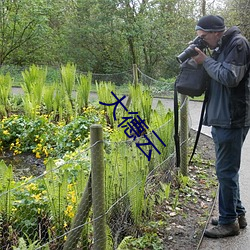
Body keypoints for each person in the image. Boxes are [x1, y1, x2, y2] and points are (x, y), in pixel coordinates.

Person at [192, 15, 250, 238]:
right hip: (222, 117)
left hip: (232, 118)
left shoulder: (238, 44)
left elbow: (229, 77)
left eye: (204, 37)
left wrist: (205, 61)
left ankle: (228, 223)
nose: (203, 41)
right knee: (227, 171)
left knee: (225, 171)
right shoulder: (221, 46)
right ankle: (237, 214)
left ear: (216, 32)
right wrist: (202, 60)